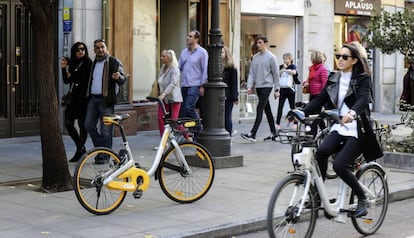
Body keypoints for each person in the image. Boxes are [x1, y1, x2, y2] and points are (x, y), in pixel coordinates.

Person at [300, 43, 383, 218]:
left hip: (357, 130)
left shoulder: (363, 78)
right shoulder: (333, 78)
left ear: (353, 60)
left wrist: (352, 113)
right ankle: (318, 195)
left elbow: (362, 99)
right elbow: (319, 100)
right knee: (321, 152)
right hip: (339, 127)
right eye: (338, 56)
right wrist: (300, 112)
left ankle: (362, 198)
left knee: (339, 165)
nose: (340, 60)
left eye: (345, 57)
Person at [84, 39, 126, 164]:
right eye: (97, 48)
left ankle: (104, 156)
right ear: (94, 50)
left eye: (102, 47)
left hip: (106, 100)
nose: (100, 49)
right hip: (93, 98)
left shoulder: (113, 61)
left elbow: (123, 78)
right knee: (88, 125)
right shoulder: (94, 63)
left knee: (106, 130)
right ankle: (101, 150)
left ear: (106, 47)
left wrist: (119, 77)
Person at [241, 36, 279, 142]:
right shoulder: (255, 57)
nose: (258, 45)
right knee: (268, 111)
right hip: (258, 86)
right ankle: (274, 133)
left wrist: (277, 89)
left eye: (260, 42)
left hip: (267, 86)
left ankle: (253, 134)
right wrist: (249, 86)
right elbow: (251, 73)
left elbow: (276, 74)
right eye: (257, 43)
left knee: (259, 109)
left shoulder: (271, 57)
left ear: (265, 43)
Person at [61, 42, 92, 162]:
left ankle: (79, 151)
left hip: (83, 98)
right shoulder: (73, 63)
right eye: (78, 50)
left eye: (83, 49)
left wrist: (72, 75)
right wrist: (64, 68)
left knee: (81, 125)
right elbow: (66, 80)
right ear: (74, 52)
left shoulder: (88, 63)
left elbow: (82, 80)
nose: (81, 51)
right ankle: (81, 148)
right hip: (73, 98)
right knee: (68, 122)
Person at [178, 30, 208, 132]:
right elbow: (179, 68)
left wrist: (203, 85)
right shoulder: (184, 52)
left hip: (195, 84)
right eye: (187, 36)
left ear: (196, 39)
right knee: (183, 110)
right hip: (185, 84)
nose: (187, 38)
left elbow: (205, 69)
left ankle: (199, 127)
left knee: (189, 107)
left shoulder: (202, 52)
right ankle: (192, 130)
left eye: (190, 36)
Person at [157, 49, 186, 138]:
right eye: (161, 56)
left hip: (174, 98)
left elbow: (172, 83)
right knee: (161, 119)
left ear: (169, 58)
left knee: (174, 121)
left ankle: (187, 136)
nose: (161, 58)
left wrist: (164, 94)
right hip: (164, 99)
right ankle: (163, 142)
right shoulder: (163, 68)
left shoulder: (175, 69)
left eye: (163, 56)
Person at [275, 53, 297, 130]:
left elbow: (294, 72)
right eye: (284, 59)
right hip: (283, 89)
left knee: (292, 107)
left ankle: (295, 123)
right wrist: (282, 69)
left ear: (290, 59)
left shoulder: (293, 66)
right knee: (280, 107)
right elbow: (277, 74)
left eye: (286, 59)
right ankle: (277, 123)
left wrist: (286, 70)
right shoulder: (281, 66)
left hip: (290, 90)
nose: (285, 60)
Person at [222, 46, 239, 136]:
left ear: (226, 54)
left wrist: (235, 97)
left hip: (227, 95)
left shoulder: (232, 68)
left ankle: (228, 134)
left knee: (227, 116)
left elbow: (234, 83)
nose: (220, 54)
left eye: (222, 52)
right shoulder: (216, 66)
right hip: (218, 96)